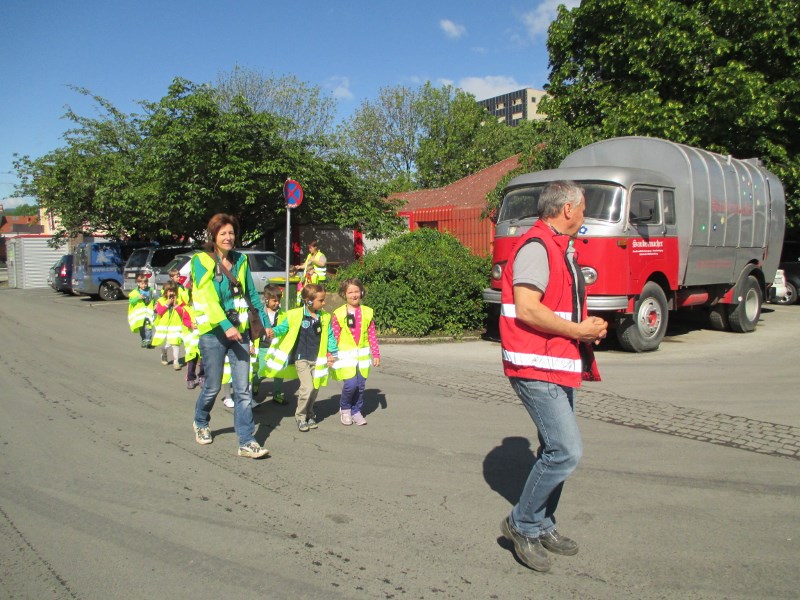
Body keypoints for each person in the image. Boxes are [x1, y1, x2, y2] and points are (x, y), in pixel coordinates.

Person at [498, 180, 608, 573]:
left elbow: (559, 306)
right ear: (567, 210)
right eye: (583, 208)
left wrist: (587, 328)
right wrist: (580, 331)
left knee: (552, 449)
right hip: (535, 365)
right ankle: (521, 524)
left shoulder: (560, 248)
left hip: (556, 362)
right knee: (566, 450)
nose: (585, 216)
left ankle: (542, 523)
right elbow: (527, 309)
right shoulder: (537, 247)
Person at [190, 213, 270, 459]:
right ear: (213, 236)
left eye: (231, 232)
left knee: (243, 389)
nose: (228, 237)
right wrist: (225, 324)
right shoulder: (201, 261)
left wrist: (265, 324)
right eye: (223, 233)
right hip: (213, 332)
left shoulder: (242, 261)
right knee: (213, 386)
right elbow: (206, 298)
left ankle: (246, 441)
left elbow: (251, 295)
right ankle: (201, 421)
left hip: (240, 331)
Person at [261, 283, 338, 432]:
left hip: (318, 359)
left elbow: (330, 336)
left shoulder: (325, 317)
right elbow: (283, 328)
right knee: (307, 388)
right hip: (301, 358)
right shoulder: (295, 315)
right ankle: (301, 416)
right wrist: (274, 332)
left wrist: (332, 353)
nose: (324, 303)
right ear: (309, 301)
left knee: (315, 388)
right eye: (321, 300)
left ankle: (310, 414)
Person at [331, 278, 381, 426]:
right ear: (344, 294)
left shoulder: (367, 312)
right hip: (345, 357)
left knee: (360, 385)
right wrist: (331, 354)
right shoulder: (339, 314)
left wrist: (376, 354)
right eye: (350, 292)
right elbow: (334, 336)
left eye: (356, 291)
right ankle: (345, 408)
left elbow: (372, 334)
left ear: (361, 292)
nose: (354, 295)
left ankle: (356, 411)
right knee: (350, 385)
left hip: (362, 357)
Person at [253, 283, 286, 403]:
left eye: (278, 301)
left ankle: (277, 393)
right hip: (264, 345)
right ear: (266, 300)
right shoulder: (259, 313)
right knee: (264, 369)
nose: (277, 303)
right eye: (274, 301)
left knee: (279, 370)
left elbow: (285, 328)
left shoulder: (282, 314)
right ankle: (255, 381)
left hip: (278, 346)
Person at [152, 280, 192, 370]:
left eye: (174, 291)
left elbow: (183, 313)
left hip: (175, 326)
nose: (172, 293)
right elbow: (159, 312)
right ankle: (164, 353)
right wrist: (167, 304)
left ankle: (176, 362)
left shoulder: (179, 301)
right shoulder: (161, 301)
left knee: (175, 343)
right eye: (170, 291)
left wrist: (176, 305)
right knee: (166, 345)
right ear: (166, 292)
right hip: (164, 326)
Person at [292, 239, 327, 305]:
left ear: (315, 247)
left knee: (317, 295)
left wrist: (314, 260)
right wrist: (299, 267)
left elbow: (323, 264)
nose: (309, 250)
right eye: (309, 248)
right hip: (310, 279)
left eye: (311, 248)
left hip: (319, 280)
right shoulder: (309, 255)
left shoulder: (321, 255)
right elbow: (305, 265)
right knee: (310, 294)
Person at [128, 272, 155, 348]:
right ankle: (144, 339)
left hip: (149, 313)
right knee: (142, 328)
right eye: (142, 284)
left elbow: (155, 298)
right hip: (140, 315)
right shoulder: (135, 292)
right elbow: (131, 301)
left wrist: (156, 305)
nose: (144, 285)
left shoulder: (151, 290)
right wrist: (137, 298)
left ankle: (148, 340)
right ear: (138, 283)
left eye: (145, 284)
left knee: (148, 327)